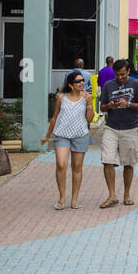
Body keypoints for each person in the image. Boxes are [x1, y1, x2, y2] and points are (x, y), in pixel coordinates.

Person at [42, 70, 94, 209]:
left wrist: (89, 104)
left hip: (80, 135)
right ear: (71, 85)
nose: (82, 83)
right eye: (78, 81)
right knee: (61, 164)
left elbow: (90, 119)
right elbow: (54, 117)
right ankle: (62, 197)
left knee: (77, 167)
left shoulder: (86, 97)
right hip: (62, 135)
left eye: (82, 80)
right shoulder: (61, 97)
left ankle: (74, 199)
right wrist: (47, 135)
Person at [99, 59, 138, 208]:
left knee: (128, 163)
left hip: (130, 127)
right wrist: (109, 106)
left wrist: (129, 104)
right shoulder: (108, 85)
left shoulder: (137, 85)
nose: (120, 78)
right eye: (118, 75)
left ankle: (127, 194)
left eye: (123, 75)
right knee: (107, 160)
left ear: (128, 72)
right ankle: (112, 195)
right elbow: (102, 107)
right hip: (111, 127)